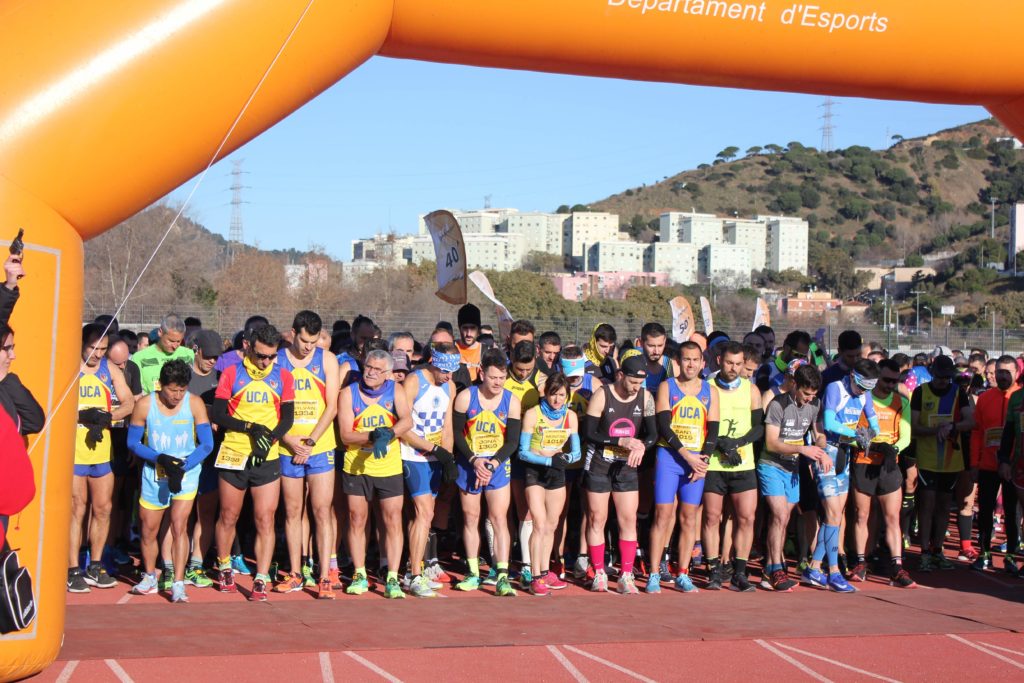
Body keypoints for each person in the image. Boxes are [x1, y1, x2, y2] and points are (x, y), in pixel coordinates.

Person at [211, 324, 295, 601]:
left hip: (266, 457)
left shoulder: (283, 376)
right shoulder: (232, 373)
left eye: (271, 356)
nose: (266, 362)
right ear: (248, 346)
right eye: (261, 356)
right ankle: (224, 567)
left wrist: (269, 439)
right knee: (229, 515)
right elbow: (220, 415)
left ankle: (260, 576)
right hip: (234, 452)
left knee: (265, 518)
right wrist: (250, 427)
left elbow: (287, 418)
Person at [126, 360, 213, 602]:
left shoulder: (194, 404)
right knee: (149, 529)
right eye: (172, 390)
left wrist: (183, 466)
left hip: (186, 471)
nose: (177, 396)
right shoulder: (144, 405)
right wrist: (159, 458)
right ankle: (150, 575)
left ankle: (178, 582)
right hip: (155, 472)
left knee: (178, 525)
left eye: (182, 390)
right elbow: (133, 443)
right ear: (161, 385)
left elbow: (206, 444)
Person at [275, 311, 340, 599]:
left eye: (313, 342)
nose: (308, 347)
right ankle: (296, 572)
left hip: (319, 445)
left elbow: (333, 406)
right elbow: (272, 406)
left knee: (321, 511)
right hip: (287, 445)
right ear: (292, 334)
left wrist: (311, 441)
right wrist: (289, 440)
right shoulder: (278, 359)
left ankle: (325, 575)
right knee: (292, 511)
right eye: (303, 340)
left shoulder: (327, 359)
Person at [338, 349, 412, 599]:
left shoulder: (396, 391)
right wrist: (372, 436)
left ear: (388, 374)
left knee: (392, 519)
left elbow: (407, 421)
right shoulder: (349, 393)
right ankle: (359, 573)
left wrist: (388, 434)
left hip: (388, 466)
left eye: (377, 369)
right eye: (368, 366)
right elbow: (346, 434)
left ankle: (392, 576)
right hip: (357, 466)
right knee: (357, 518)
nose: (370, 372)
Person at [802, 359, 880, 593]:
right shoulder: (836, 387)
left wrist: (871, 433)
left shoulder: (865, 394)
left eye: (868, 389)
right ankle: (833, 571)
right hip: (826, 452)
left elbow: (873, 421)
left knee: (836, 516)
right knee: (833, 513)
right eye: (861, 387)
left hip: (844, 455)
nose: (863, 393)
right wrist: (856, 432)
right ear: (853, 378)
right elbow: (828, 422)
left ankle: (815, 566)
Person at [647, 341, 719, 594]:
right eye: (686, 359)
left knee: (689, 519)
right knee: (663, 516)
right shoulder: (668, 387)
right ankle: (654, 572)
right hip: (670, 458)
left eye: (695, 360)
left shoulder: (710, 391)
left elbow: (714, 431)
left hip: (696, 462)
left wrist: (704, 460)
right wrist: (688, 456)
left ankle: (683, 572)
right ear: (678, 361)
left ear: (702, 363)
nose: (690, 364)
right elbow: (664, 426)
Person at [582, 355, 657, 594]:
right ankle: (599, 572)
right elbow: (589, 432)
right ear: (621, 375)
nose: (636, 388)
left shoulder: (645, 397)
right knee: (597, 518)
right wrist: (619, 440)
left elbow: (653, 434)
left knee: (628, 518)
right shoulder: (602, 394)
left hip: (626, 466)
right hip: (600, 463)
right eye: (633, 382)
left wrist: (642, 446)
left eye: (640, 384)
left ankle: (626, 574)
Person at [69, 324, 134, 593]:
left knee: (104, 507)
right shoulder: (72, 367)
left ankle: (95, 564)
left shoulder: (110, 369)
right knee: (77, 508)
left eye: (103, 349)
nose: (97, 354)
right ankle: (72, 568)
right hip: (75, 451)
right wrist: (81, 416)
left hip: (102, 449)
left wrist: (110, 417)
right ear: (83, 344)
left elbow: (129, 401)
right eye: (93, 348)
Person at [452, 349, 522, 596]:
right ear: (482, 373)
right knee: (470, 517)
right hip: (469, 464)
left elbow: (512, 441)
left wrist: (492, 463)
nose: (497, 383)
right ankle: (472, 572)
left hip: (497, 466)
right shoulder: (465, 397)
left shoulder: (511, 401)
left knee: (499, 518)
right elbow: (457, 435)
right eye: (493, 378)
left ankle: (502, 574)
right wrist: (474, 460)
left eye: (502, 378)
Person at [848, 359, 917, 588]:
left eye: (894, 381)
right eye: (886, 380)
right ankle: (860, 562)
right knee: (862, 515)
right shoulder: (861, 399)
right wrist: (873, 445)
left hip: (888, 465)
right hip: (864, 461)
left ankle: (896, 567)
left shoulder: (901, 402)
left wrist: (893, 450)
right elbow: (853, 431)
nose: (890, 385)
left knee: (892, 518)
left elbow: (906, 435)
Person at [760, 364, 828, 592]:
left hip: (793, 469)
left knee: (782, 519)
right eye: (806, 393)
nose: (810, 398)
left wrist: (819, 449)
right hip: (771, 465)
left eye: (813, 394)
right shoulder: (777, 404)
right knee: (779, 515)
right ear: (794, 385)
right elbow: (771, 443)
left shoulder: (814, 404)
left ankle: (770, 569)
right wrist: (802, 449)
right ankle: (777, 568)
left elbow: (819, 435)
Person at [399, 343, 459, 597]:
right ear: (433, 363)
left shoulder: (450, 386)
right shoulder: (414, 381)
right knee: (424, 512)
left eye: (453, 371)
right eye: (445, 371)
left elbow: (446, 426)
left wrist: (447, 458)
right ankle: (414, 575)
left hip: (436, 457)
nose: (449, 376)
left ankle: (414, 569)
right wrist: (431, 449)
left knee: (424, 515)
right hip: (413, 454)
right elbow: (403, 425)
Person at [703, 341, 763, 592]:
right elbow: (702, 424)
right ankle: (714, 570)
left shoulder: (751, 389)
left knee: (746, 518)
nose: (734, 368)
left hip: (743, 463)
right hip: (714, 464)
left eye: (739, 364)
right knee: (712, 518)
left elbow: (758, 428)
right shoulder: (706, 387)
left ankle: (739, 572)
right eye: (730, 363)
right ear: (719, 361)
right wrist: (719, 446)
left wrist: (736, 443)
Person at [518, 373, 580, 595]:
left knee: (552, 524)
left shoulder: (570, 417)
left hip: (557, 473)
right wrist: (546, 459)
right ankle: (534, 576)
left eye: (561, 395)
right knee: (539, 523)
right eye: (553, 394)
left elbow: (577, 453)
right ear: (546, 393)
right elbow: (523, 452)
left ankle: (544, 572)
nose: (557, 399)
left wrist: (565, 459)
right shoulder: (533, 414)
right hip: (535, 472)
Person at [911, 354, 974, 572]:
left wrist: (953, 427)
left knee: (944, 506)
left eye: (946, 377)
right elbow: (914, 425)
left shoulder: (959, 393)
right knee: (927, 505)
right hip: (927, 459)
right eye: (939, 376)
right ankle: (925, 552)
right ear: (932, 373)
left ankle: (938, 550)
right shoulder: (921, 392)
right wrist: (935, 430)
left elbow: (971, 421)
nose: (942, 381)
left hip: (951, 461)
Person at [973, 356, 1020, 573]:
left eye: (1007, 372)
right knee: (985, 510)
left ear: (1017, 373)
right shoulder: (985, 398)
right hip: (988, 465)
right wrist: (975, 462)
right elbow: (977, 432)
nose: (1002, 376)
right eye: (999, 371)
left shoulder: (1019, 399)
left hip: (1014, 466)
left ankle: (1011, 555)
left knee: (1012, 511)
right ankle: (984, 553)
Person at [184, 329, 223, 587]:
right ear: (196, 350)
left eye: (216, 357)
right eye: (208, 356)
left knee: (206, 512)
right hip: (185, 455)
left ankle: (196, 565)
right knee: (180, 513)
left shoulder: (221, 379)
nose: (211, 361)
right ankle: (172, 563)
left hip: (210, 457)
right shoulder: (182, 376)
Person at [505, 340, 543, 587]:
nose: (523, 374)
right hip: (502, 452)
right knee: (500, 511)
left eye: (528, 370)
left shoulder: (542, 381)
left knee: (526, 511)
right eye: (519, 370)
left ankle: (527, 565)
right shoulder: (501, 380)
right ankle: (500, 564)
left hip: (529, 455)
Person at [129, 314, 195, 394]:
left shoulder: (188, 354)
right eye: (171, 341)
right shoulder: (140, 357)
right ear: (160, 332)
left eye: (178, 341)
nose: (175, 346)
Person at [0, 320, 44, 435]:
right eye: (6, 349)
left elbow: (34, 422)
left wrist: (6, 380)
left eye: (12, 348)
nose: (13, 356)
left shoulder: (7, 385)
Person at [456, 304, 483, 382]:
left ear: (478, 329)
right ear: (459, 328)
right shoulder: (450, 349)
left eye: (472, 328)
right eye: (465, 328)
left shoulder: (486, 351)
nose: (468, 334)